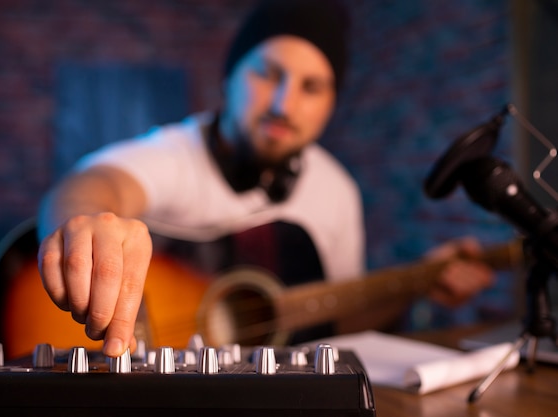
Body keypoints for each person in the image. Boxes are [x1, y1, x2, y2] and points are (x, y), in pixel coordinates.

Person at [37, 0, 495, 358]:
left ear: (331, 105)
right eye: (267, 73)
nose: (283, 103)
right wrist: (89, 224)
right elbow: (93, 186)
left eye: (310, 87)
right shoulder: (175, 152)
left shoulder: (337, 191)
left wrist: (419, 283)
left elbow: (336, 319)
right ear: (229, 78)